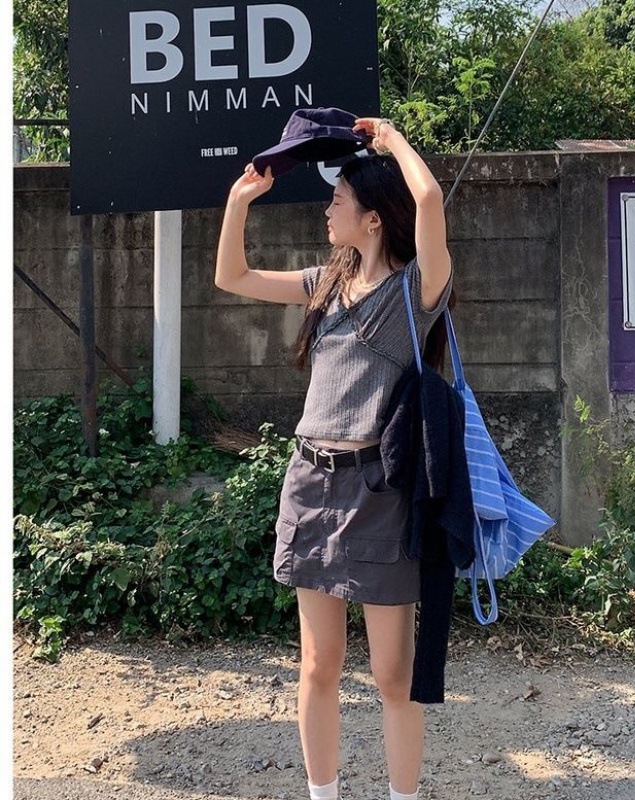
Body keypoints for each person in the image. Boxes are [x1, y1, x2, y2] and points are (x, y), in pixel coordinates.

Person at [214, 116, 454, 800]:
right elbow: (232, 276)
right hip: (310, 483)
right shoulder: (323, 282)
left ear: (372, 219)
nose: (327, 210)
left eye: (337, 200)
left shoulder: (416, 292)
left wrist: (393, 140)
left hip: (379, 492)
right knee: (319, 666)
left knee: (392, 677)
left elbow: (429, 200)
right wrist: (238, 202)